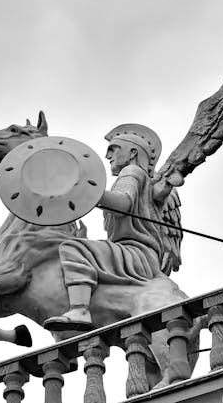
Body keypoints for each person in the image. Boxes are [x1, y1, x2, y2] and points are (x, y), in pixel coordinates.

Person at [44, 123, 181, 332]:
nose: (108, 156)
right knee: (82, 246)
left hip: (136, 255)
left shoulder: (132, 172)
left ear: (133, 153)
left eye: (113, 149)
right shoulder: (142, 179)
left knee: (72, 248)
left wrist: (88, 191)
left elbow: (122, 204)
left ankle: (79, 310)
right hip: (139, 255)